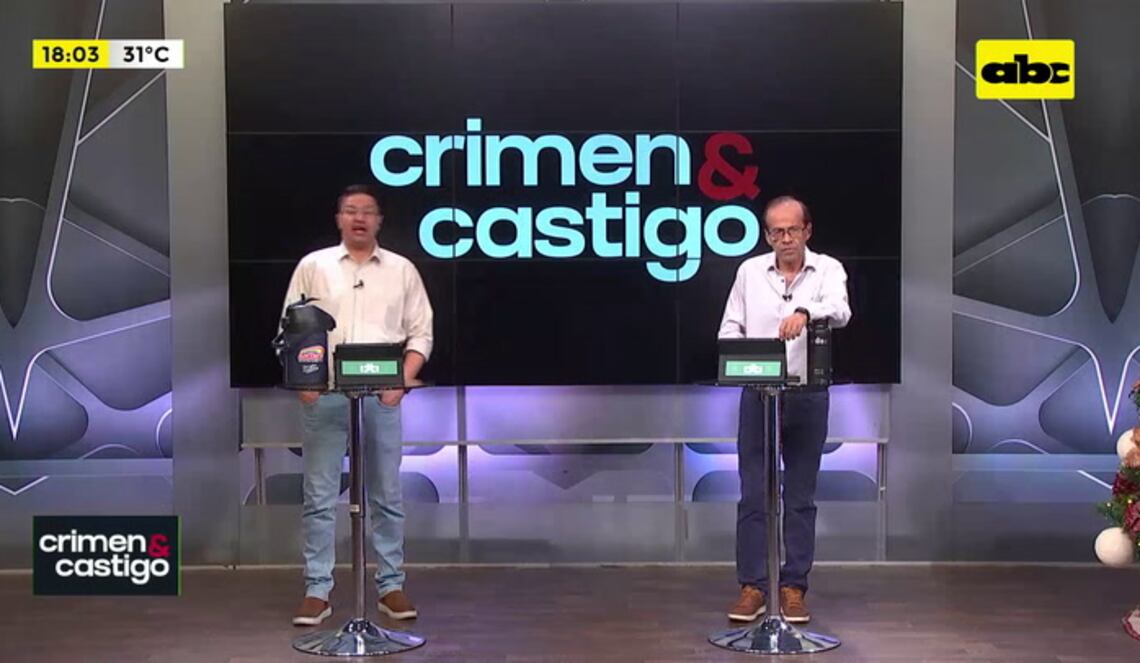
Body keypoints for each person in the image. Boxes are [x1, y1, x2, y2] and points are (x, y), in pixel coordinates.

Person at [284, 184, 433, 627]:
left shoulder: (402, 270)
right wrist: (304, 382)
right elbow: (291, 328)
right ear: (339, 219)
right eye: (351, 210)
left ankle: (390, 585)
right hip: (326, 394)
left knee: (386, 492)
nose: (359, 218)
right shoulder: (313, 266)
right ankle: (317, 590)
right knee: (319, 495)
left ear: (379, 220)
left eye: (367, 211)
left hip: (382, 395)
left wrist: (401, 382)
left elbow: (421, 332)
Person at [717, 195, 851, 624]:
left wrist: (805, 311)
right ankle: (753, 586)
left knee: (800, 495)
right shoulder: (749, 271)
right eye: (777, 231)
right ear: (767, 235)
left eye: (793, 229)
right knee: (753, 493)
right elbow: (729, 328)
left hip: (808, 395)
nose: (786, 238)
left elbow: (841, 311)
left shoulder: (828, 269)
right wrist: (744, 359)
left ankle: (793, 586)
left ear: (807, 231)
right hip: (759, 395)